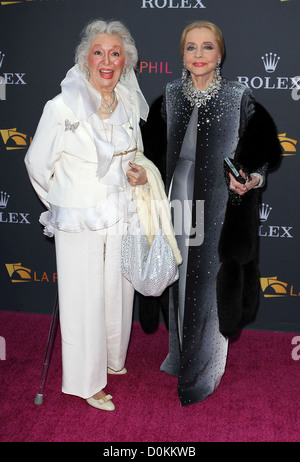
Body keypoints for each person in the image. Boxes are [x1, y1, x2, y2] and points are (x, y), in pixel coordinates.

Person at [25, 19, 179, 411]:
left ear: (125, 61)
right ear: (85, 59)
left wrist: (142, 173)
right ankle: (84, 382)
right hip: (80, 221)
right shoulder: (61, 107)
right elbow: (37, 164)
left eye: (115, 53)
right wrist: (63, 204)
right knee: (82, 300)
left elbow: (136, 154)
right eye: (98, 52)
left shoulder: (128, 102)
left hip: (122, 213)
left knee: (117, 292)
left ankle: (112, 359)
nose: (106, 61)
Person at [159, 21, 281, 406]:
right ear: (182, 54)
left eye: (206, 47)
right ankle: (181, 355)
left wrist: (253, 179)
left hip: (217, 208)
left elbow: (266, 151)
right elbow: (146, 148)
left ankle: (201, 374)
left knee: (206, 283)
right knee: (179, 280)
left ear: (220, 54)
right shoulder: (169, 96)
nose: (198, 55)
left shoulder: (238, 97)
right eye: (190, 47)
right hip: (176, 200)